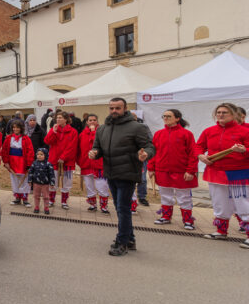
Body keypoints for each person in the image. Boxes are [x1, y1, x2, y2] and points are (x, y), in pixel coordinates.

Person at [88, 98, 155, 256]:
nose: (114, 111)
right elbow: (98, 147)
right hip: (110, 173)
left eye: (118, 108)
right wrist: (95, 153)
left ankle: (122, 241)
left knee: (123, 208)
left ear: (125, 109)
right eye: (111, 108)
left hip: (128, 172)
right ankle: (130, 238)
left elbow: (149, 146)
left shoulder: (137, 127)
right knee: (120, 208)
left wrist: (146, 154)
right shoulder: (102, 129)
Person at [195, 103, 249, 248]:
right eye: (218, 112)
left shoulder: (244, 131)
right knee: (220, 203)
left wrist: (244, 150)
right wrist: (201, 155)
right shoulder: (209, 131)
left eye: (224, 112)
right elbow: (198, 146)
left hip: (238, 173)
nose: (220, 115)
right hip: (215, 172)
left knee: (243, 204)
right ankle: (221, 231)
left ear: (234, 114)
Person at [145, 109, 198, 229]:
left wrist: (190, 170)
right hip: (162, 170)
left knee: (184, 197)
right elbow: (154, 152)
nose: (165, 118)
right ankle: (166, 217)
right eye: (164, 116)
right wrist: (151, 167)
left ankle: (188, 221)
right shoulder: (158, 134)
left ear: (177, 118)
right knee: (165, 195)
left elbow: (193, 154)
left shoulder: (186, 134)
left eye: (169, 116)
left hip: (181, 171)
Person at [44, 111, 78, 210]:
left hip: (67, 161)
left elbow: (72, 147)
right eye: (57, 118)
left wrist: (63, 157)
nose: (58, 119)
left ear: (66, 119)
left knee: (67, 182)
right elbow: (47, 141)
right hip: (54, 159)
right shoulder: (54, 129)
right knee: (52, 181)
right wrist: (53, 132)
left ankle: (64, 201)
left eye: (60, 118)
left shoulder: (73, 131)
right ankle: (51, 200)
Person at [77, 114, 110, 213]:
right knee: (89, 186)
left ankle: (104, 206)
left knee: (102, 186)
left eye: (94, 120)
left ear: (97, 121)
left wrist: (93, 132)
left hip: (99, 165)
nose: (92, 122)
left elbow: (96, 144)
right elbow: (79, 150)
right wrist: (80, 161)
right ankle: (93, 205)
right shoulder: (82, 134)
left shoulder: (102, 132)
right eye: (90, 120)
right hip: (86, 164)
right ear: (86, 122)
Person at [2, 120, 34, 206]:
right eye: (14, 127)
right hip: (12, 162)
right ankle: (17, 198)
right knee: (14, 180)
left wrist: (29, 164)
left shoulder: (26, 138)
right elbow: (4, 151)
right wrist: (6, 162)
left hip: (22, 162)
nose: (15, 129)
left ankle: (25, 198)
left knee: (24, 180)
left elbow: (30, 151)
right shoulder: (8, 138)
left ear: (21, 128)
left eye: (17, 127)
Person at [28, 148, 55, 214]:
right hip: (36, 183)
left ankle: (46, 207)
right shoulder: (34, 163)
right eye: (38, 154)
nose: (39, 156)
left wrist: (52, 183)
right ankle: (36, 207)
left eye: (41, 154)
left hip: (45, 184)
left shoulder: (48, 164)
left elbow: (51, 174)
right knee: (36, 195)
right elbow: (30, 172)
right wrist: (29, 180)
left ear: (45, 155)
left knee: (46, 196)